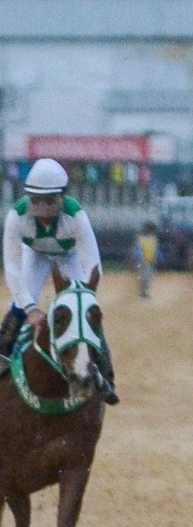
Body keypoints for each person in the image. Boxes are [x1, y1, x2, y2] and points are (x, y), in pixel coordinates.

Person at [0, 157, 119, 405]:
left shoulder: (76, 216)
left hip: (68, 259)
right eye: (35, 201)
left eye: (50, 201)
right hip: (34, 257)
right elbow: (11, 267)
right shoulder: (16, 216)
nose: (42, 209)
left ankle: (106, 377)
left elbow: (93, 266)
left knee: (85, 313)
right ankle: (2, 359)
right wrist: (30, 309)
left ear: (63, 197)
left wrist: (81, 298)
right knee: (18, 308)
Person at [132, 220, 163, 298]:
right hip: (144, 261)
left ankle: (143, 291)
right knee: (145, 277)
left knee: (147, 276)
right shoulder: (141, 239)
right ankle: (144, 292)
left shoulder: (152, 239)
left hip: (149, 261)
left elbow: (156, 250)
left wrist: (159, 258)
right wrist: (139, 259)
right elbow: (137, 250)